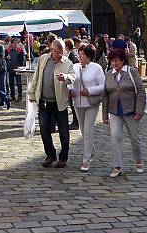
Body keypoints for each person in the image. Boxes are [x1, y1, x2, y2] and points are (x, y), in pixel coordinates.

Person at [27, 40, 75, 168]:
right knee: (44, 130)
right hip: (44, 101)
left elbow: (73, 76)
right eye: (58, 52)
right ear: (52, 50)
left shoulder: (67, 62)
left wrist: (65, 77)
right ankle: (50, 155)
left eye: (62, 52)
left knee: (64, 131)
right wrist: (32, 94)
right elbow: (36, 77)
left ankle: (63, 158)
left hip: (59, 102)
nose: (61, 55)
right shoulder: (43, 59)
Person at [102, 48, 147, 177]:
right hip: (114, 110)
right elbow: (105, 95)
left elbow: (141, 92)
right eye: (112, 61)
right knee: (114, 137)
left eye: (116, 61)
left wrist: (139, 111)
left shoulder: (132, 72)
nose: (114, 63)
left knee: (134, 138)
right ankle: (117, 166)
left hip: (131, 110)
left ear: (122, 60)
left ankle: (138, 161)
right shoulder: (109, 74)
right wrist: (104, 115)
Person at [70, 44, 105, 172]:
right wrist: (70, 90)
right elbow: (71, 81)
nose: (80, 56)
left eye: (83, 54)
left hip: (91, 103)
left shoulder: (96, 68)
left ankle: (86, 159)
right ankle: (91, 150)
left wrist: (90, 90)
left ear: (89, 56)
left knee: (88, 131)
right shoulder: (75, 67)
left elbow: (103, 85)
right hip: (78, 103)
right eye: (79, 54)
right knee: (83, 130)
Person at [6, 38, 25, 104]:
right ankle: (12, 96)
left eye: (16, 43)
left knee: (19, 83)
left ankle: (20, 96)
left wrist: (20, 66)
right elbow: (5, 58)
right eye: (14, 43)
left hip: (18, 69)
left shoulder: (20, 50)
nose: (16, 45)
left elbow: (22, 59)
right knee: (11, 83)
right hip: (10, 69)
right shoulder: (7, 50)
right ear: (11, 44)